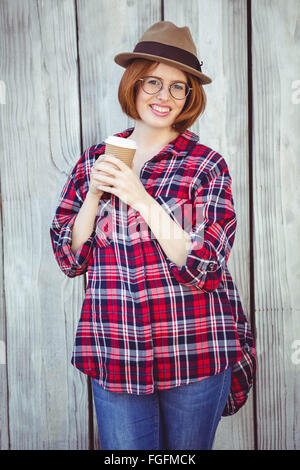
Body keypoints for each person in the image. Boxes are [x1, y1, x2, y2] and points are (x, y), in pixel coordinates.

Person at [50, 21, 255, 450]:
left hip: (194, 347)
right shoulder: (96, 159)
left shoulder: (205, 165)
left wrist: (140, 196)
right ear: (134, 83)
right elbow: (70, 258)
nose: (164, 96)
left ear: (189, 97)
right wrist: (94, 195)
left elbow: (205, 265)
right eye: (153, 82)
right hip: (116, 352)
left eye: (177, 87)